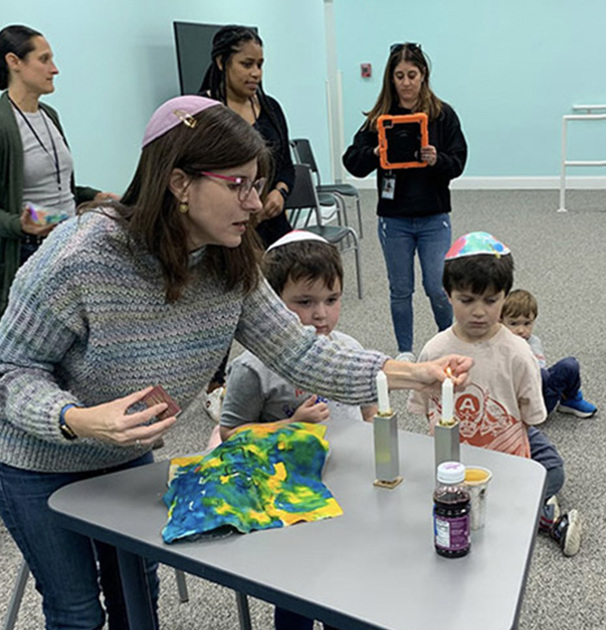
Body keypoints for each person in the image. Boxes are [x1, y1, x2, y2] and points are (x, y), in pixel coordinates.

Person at [0, 95, 471, 630]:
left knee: (137, 594)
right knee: (79, 612)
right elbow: (11, 372)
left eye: (256, 184)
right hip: (36, 461)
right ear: (180, 184)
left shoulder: (231, 260)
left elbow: (300, 351)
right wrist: (79, 420)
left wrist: (413, 374)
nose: (255, 203)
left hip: (122, 455)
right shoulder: (79, 259)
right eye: (238, 185)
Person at [409, 232, 583, 556]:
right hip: (452, 468)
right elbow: (424, 410)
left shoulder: (518, 353)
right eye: (467, 300)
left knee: (503, 544)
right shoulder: (434, 350)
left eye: (491, 301)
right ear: (447, 294)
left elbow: (532, 418)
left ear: (505, 296)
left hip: (508, 463)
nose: (479, 312)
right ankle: (545, 514)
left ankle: (544, 515)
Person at [343, 42, 467, 361]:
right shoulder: (379, 118)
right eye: (399, 75)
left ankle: (447, 342)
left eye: (412, 74)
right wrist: (375, 153)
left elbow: (458, 162)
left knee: (438, 287)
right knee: (400, 289)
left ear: (423, 76)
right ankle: (405, 351)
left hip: (433, 215)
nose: (406, 82)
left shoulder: (442, 115)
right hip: (394, 218)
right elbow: (351, 161)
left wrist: (437, 159)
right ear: (391, 78)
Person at [199, 25, 297, 406]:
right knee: (225, 299)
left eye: (260, 64)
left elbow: (286, 167)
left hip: (269, 221)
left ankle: (288, 367)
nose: (255, 73)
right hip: (223, 228)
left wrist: (279, 193)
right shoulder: (202, 111)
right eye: (246, 64)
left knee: (286, 288)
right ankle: (215, 385)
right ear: (222, 62)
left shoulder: (270, 109)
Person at [0, 24, 117, 314]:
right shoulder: (3, 124)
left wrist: (95, 195)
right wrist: (20, 224)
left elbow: (59, 184)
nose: (54, 69)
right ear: (14, 62)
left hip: (67, 240)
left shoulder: (49, 115)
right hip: (30, 252)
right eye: (44, 59)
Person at [219, 230, 376, 444]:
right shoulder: (252, 368)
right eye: (305, 302)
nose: (321, 314)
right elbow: (229, 433)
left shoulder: (350, 348)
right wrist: (290, 425)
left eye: (331, 300)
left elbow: (369, 413)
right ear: (271, 302)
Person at [500, 288, 598, 418]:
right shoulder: (500, 344)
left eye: (527, 324)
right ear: (501, 322)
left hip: (541, 396)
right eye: (513, 324)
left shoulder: (533, 342)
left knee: (570, 365)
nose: (521, 330)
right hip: (519, 404)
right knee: (541, 374)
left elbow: (538, 369)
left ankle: (570, 400)